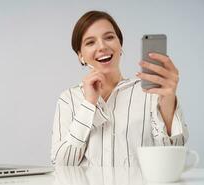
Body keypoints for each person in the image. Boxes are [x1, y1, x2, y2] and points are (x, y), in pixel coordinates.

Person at [51, 10, 188, 167]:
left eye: (109, 37)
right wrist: (89, 104)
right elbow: (61, 165)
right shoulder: (68, 99)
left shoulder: (150, 93)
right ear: (80, 56)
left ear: (120, 45)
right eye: (90, 42)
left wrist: (168, 98)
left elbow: (171, 157)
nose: (102, 46)